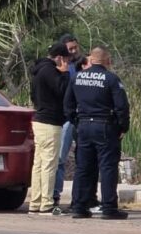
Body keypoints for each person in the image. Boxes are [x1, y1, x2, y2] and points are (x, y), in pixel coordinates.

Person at [64, 46, 130, 220]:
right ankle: (108, 208)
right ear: (107, 61)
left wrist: (76, 121)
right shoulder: (111, 79)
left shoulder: (77, 78)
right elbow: (122, 106)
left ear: (91, 60)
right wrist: (122, 127)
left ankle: (79, 206)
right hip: (105, 126)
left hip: (84, 126)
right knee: (107, 167)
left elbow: (68, 105)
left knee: (83, 168)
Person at [28, 42, 71, 216]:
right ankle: (46, 203)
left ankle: (35, 202)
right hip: (50, 122)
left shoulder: (39, 71)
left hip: (39, 119)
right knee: (49, 164)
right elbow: (61, 89)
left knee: (38, 164)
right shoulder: (50, 71)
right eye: (66, 59)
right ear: (60, 58)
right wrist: (66, 73)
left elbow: (33, 95)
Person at [52, 34, 82, 211]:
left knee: (82, 159)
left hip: (80, 118)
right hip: (64, 118)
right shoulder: (59, 69)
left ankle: (78, 199)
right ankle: (55, 195)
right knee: (60, 158)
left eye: (75, 48)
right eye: (70, 49)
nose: (73, 52)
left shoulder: (81, 67)